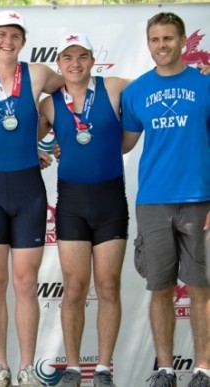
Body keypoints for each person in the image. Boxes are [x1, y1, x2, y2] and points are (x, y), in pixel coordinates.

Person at [0, 10, 63, 387]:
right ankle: (0, 367)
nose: (8, 40)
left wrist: (47, 140)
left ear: (22, 41)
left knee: (25, 282)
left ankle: (25, 368)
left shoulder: (37, 74)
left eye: (15, 35)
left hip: (28, 190)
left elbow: (71, 90)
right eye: (2, 34)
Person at [121, 12, 210, 387]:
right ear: (148, 43)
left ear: (183, 40)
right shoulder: (136, 90)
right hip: (153, 200)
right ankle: (165, 368)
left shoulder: (205, 85)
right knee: (159, 288)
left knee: (201, 287)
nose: (162, 45)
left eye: (169, 38)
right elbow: (124, 143)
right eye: (155, 39)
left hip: (199, 200)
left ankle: (204, 368)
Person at [38, 33, 130, 387]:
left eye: (82, 56)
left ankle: (103, 368)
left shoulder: (114, 88)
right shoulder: (48, 104)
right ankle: (75, 368)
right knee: (74, 288)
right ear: (58, 64)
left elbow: (156, 85)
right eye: (67, 58)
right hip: (72, 203)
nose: (75, 64)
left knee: (108, 286)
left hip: (110, 201)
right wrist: (41, 149)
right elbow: (18, 137)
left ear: (93, 59)